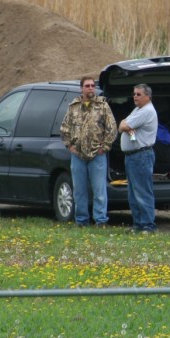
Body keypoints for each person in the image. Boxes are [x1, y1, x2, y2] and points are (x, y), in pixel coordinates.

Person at [60, 76, 117, 227]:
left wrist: (103, 147)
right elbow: (64, 129)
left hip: (96, 155)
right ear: (81, 88)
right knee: (79, 191)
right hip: (78, 155)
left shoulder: (102, 106)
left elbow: (112, 129)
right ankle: (81, 220)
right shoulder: (74, 107)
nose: (91, 88)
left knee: (99, 190)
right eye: (87, 86)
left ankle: (101, 220)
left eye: (92, 85)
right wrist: (69, 146)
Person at [118, 83, 158, 233]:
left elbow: (123, 125)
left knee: (142, 191)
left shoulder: (146, 111)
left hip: (141, 156)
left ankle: (148, 225)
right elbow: (122, 125)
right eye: (134, 94)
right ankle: (138, 224)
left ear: (147, 96)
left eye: (139, 94)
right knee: (133, 192)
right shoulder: (137, 109)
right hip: (132, 156)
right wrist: (126, 127)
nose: (135, 96)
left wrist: (125, 126)